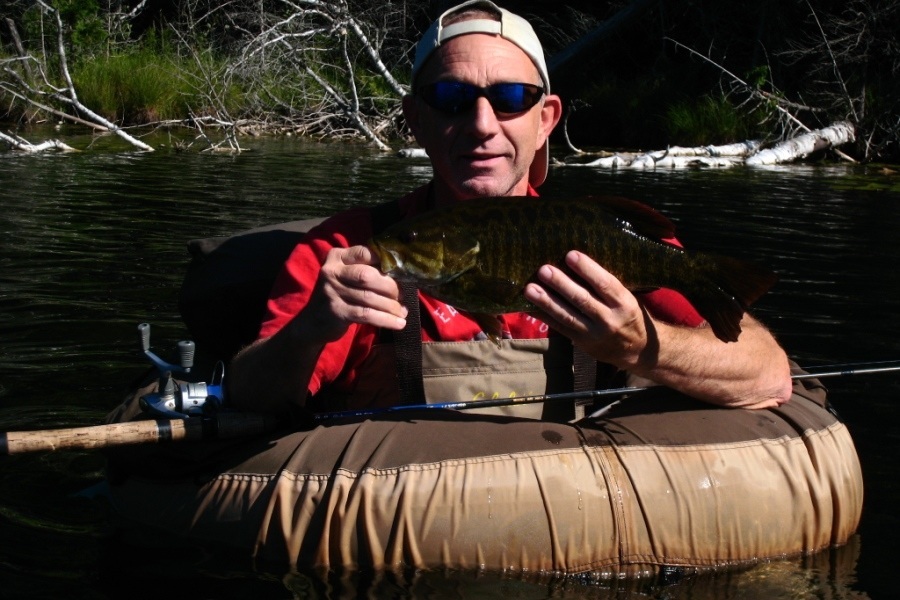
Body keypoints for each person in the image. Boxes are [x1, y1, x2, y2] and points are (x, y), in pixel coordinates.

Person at [227, 0, 792, 417]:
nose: (481, 124)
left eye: (510, 99)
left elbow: (768, 374)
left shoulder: (593, 235)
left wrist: (639, 344)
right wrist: (310, 329)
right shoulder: (344, 255)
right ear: (416, 120)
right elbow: (249, 400)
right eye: (451, 99)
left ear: (546, 118)